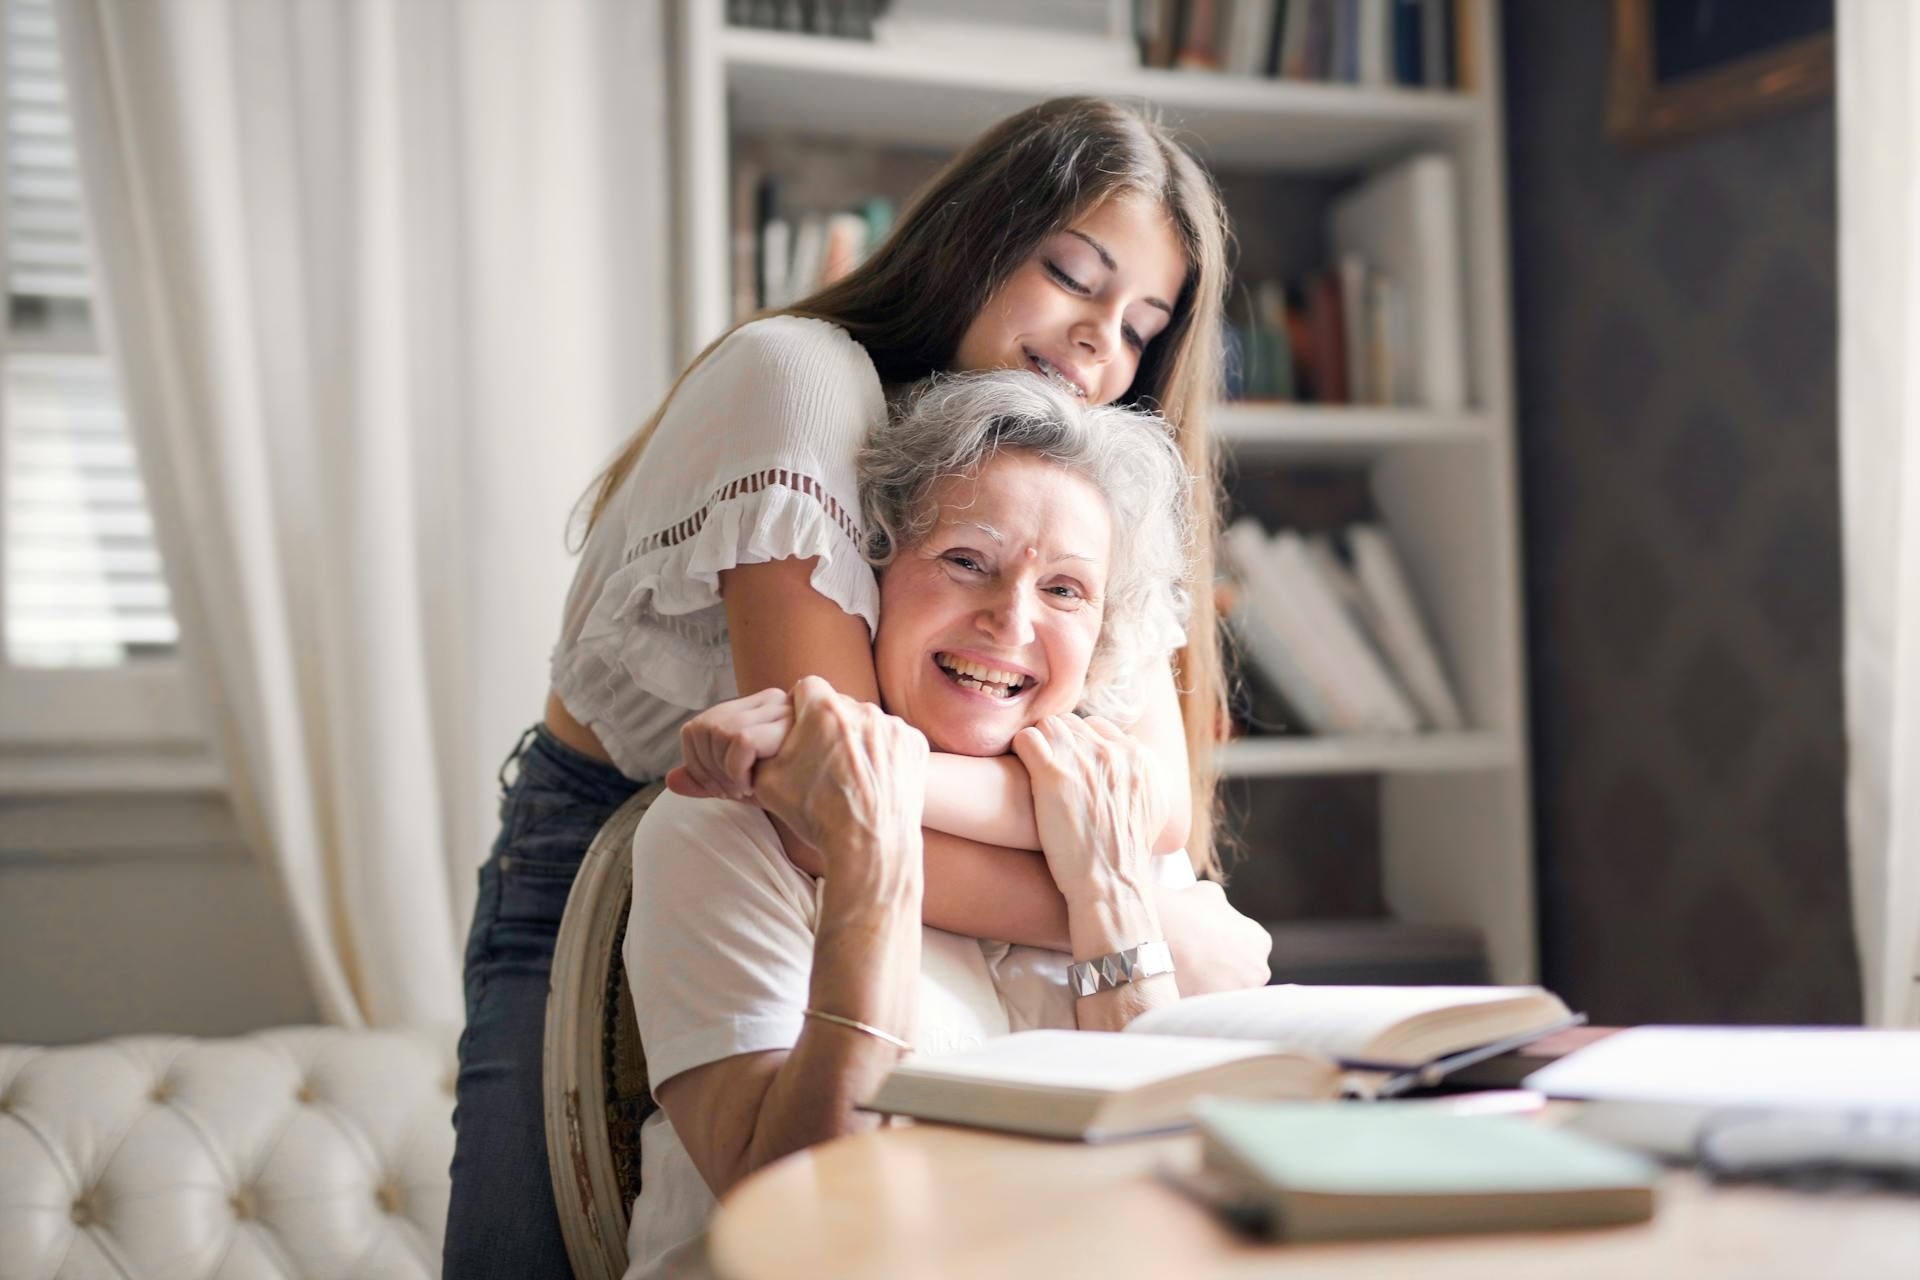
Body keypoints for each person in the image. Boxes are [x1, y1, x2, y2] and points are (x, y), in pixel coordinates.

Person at [445, 96, 1269, 1277]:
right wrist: (1131, 897)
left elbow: (1154, 803)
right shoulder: (800, 381)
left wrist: (1122, 863)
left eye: (1143, 326)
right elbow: (844, 812)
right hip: (623, 850)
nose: (1101, 346)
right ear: (975, 241)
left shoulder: (1070, 470)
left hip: (854, 849)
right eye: (1073, 278)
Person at [625, 372, 1211, 1275]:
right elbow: (808, 1219)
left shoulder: (1106, 819)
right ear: (876, 571)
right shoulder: (724, 832)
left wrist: (1111, 892)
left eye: (1065, 590)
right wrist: (872, 855)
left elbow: (1176, 1189)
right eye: (968, 561)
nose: (1010, 620)